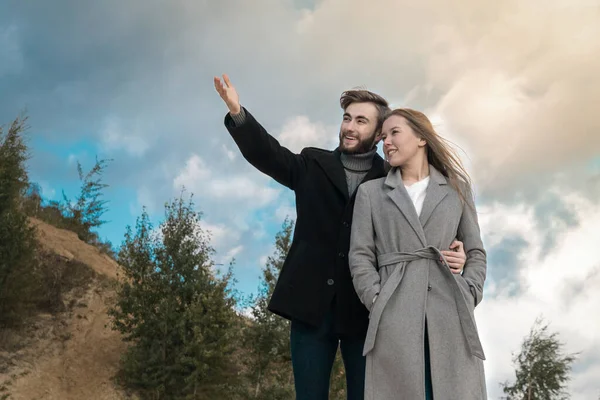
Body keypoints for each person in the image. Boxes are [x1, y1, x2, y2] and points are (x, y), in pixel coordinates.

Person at [214, 75, 467, 400]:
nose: (349, 126)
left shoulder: (392, 181)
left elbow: (422, 228)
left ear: (378, 134)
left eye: (361, 120)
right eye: (347, 118)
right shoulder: (312, 164)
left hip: (366, 313)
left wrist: (455, 250)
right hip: (309, 307)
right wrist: (238, 113)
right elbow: (268, 154)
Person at [349, 108, 487, 400]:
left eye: (394, 133)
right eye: (383, 137)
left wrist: (470, 290)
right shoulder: (371, 193)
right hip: (394, 310)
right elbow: (360, 255)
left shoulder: (456, 189)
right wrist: (376, 299)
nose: (386, 142)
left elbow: (475, 250)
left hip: (450, 309)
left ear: (422, 137)